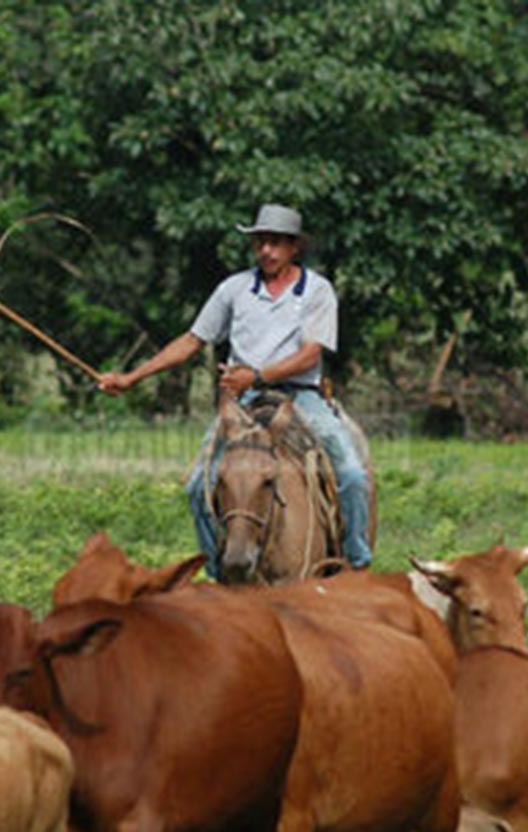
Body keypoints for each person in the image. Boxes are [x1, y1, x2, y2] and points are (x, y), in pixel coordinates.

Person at [97, 203, 373, 571]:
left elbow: (310, 356)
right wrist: (131, 378)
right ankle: (217, 568)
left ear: (294, 247)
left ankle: (356, 561)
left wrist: (256, 376)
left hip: (301, 396)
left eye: (276, 243)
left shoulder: (317, 291)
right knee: (198, 484)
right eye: (260, 242)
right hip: (243, 401)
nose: (266, 251)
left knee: (352, 474)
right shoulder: (235, 288)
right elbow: (192, 340)